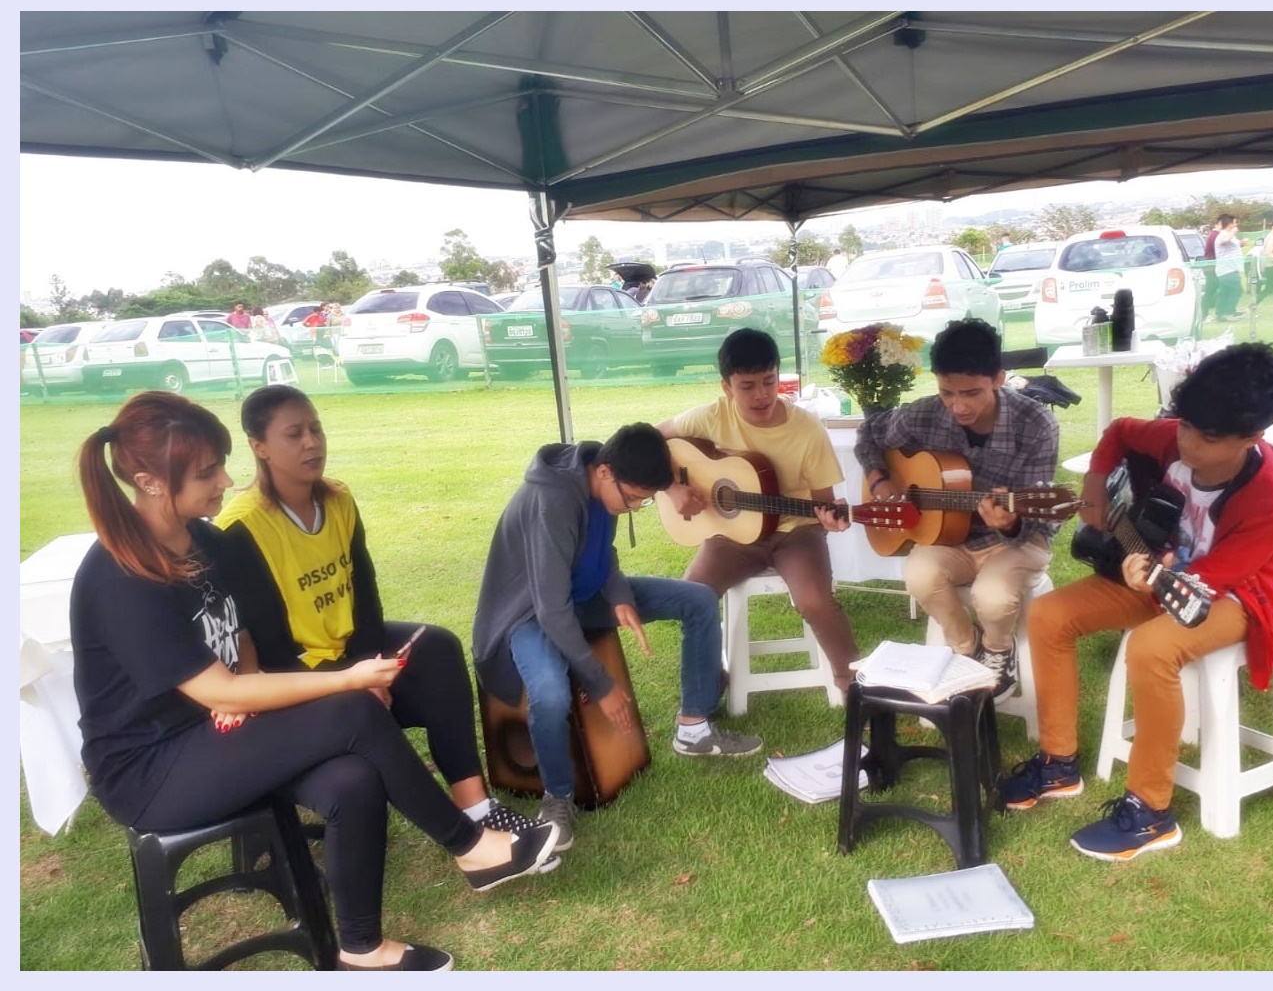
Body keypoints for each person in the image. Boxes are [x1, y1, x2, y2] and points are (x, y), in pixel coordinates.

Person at [69, 392, 559, 973]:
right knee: (352, 709)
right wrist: (342, 680)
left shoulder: (205, 543)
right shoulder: (119, 576)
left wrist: (250, 682)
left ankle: (361, 949)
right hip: (151, 768)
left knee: (352, 777)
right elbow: (215, 691)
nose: (225, 480)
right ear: (149, 482)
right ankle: (470, 845)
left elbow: (242, 635)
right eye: (206, 473)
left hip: (216, 732)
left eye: (221, 464)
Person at [214, 385, 555, 858]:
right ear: (259, 446)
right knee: (359, 706)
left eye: (316, 429)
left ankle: (475, 807)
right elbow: (267, 643)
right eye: (294, 434)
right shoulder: (240, 528)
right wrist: (353, 682)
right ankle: (468, 843)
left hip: (350, 657)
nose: (312, 442)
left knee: (437, 648)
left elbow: (364, 594)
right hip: (293, 676)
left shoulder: (338, 499)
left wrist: (370, 665)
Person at [999, 343, 1273, 861]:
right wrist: (1096, 487)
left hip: (1236, 596)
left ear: (1253, 437)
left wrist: (1156, 576)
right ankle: (1058, 762)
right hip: (1160, 574)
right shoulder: (1174, 437)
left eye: (1207, 438)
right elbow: (1119, 433)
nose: (1187, 444)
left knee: (1151, 648)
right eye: (1185, 426)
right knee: (1049, 614)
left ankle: (1151, 812)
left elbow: (1218, 576)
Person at [472, 422, 762, 850]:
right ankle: (557, 798)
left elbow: (601, 552)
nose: (634, 508)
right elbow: (552, 609)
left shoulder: (600, 479)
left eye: (644, 501)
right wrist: (601, 685)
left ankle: (694, 728)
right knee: (550, 693)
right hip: (527, 612)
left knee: (698, 600)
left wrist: (620, 596)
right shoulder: (552, 500)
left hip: (581, 595)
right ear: (606, 472)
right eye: (634, 499)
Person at [853, 319, 1061, 696]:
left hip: (1018, 540)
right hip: (952, 538)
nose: (958, 406)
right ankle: (966, 649)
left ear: (998, 378)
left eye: (971, 393)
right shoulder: (926, 414)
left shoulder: (1036, 424)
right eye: (947, 392)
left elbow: (1033, 522)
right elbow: (869, 432)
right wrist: (879, 480)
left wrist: (1010, 523)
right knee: (919, 574)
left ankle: (998, 651)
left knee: (992, 597)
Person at [656, 328, 859, 694]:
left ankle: (854, 685)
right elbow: (652, 438)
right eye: (747, 386)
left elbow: (824, 501)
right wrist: (672, 487)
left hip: (796, 531)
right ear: (727, 387)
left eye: (769, 381)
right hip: (732, 538)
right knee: (691, 596)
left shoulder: (806, 429)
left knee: (814, 600)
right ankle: (709, 682)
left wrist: (831, 519)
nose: (762, 395)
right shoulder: (711, 417)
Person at [1212, 215, 1245, 323]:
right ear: (1229, 224)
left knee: (1225, 292)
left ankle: (1221, 313)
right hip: (1227, 269)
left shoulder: (1229, 235)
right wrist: (1233, 232)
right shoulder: (1223, 234)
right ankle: (1228, 313)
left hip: (1231, 268)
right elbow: (1224, 241)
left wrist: (1242, 243)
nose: (1236, 225)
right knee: (1236, 290)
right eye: (1234, 222)